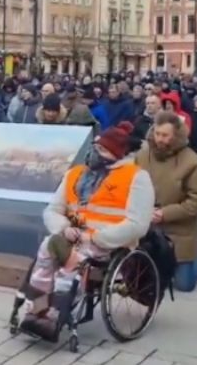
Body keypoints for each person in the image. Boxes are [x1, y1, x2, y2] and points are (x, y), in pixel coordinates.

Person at [19, 121, 154, 340]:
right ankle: (36, 309)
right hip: (73, 235)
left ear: (116, 154)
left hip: (106, 242)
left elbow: (138, 224)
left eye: (102, 150)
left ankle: (56, 314)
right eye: (95, 147)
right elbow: (53, 210)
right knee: (47, 249)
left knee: (74, 260)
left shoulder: (136, 177)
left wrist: (96, 237)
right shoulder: (75, 174)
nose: (95, 153)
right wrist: (64, 228)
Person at [136, 111, 197, 292]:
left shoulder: (192, 161)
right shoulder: (142, 156)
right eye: (157, 133)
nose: (160, 139)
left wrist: (165, 213)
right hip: (147, 227)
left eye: (165, 135)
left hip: (178, 230)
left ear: (176, 135)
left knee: (184, 285)